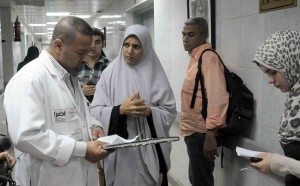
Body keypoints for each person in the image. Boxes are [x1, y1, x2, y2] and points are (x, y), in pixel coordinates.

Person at [4, 16, 112, 186]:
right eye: (81, 52)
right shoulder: (29, 79)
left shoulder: (70, 75)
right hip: (47, 179)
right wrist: (82, 150)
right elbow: (26, 136)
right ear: (59, 45)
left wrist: (95, 126)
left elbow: (82, 113)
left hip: (80, 176)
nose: (86, 59)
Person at [91, 24, 177, 186]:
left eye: (136, 46)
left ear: (145, 48)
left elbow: (169, 110)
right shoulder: (109, 74)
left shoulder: (156, 75)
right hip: (119, 153)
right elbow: (95, 111)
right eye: (126, 45)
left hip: (149, 150)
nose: (129, 51)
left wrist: (150, 112)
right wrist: (119, 110)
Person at [180, 17, 229, 186]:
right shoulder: (195, 57)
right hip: (192, 131)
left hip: (202, 133)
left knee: (201, 181)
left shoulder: (208, 58)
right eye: (183, 34)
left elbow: (217, 96)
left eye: (191, 35)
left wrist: (210, 135)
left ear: (204, 35)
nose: (185, 39)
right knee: (196, 179)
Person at [250, 30, 300, 185]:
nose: (269, 81)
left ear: (291, 62)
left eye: (273, 72)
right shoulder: (295, 97)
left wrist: (276, 163)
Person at [78, 27, 111, 103]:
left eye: (97, 42)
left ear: (103, 45)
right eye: (90, 42)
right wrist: (81, 91)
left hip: (103, 110)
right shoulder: (75, 64)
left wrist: (101, 91)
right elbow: (67, 91)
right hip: (80, 110)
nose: (93, 46)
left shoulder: (110, 66)